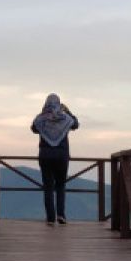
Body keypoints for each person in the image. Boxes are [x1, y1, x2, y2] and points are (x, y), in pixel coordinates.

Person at [31, 93, 79, 225]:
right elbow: (76, 124)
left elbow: (33, 128)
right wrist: (67, 110)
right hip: (62, 156)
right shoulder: (65, 118)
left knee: (48, 187)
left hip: (45, 156)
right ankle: (61, 215)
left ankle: (50, 218)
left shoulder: (42, 119)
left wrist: (43, 113)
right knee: (60, 186)